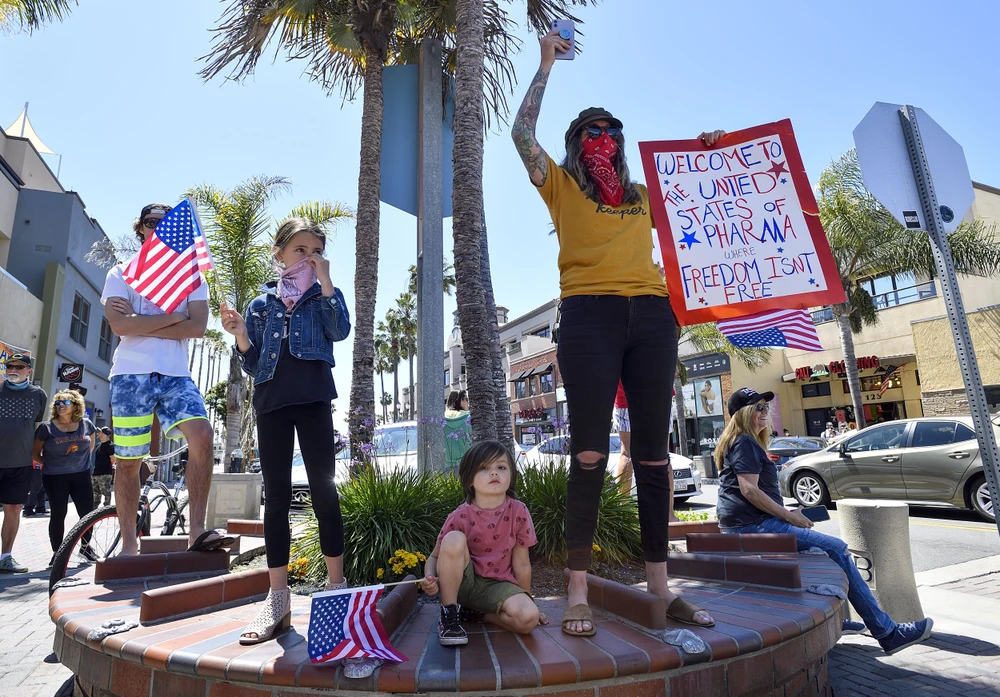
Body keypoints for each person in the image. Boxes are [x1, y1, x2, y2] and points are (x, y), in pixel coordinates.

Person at [511, 30, 719, 636]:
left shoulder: (641, 196)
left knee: (653, 455)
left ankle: (660, 588)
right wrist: (545, 65)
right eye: (591, 132)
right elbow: (521, 135)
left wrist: (709, 151)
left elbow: (699, 202)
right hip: (588, 316)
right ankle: (577, 591)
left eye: (611, 132)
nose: (603, 139)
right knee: (588, 453)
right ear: (577, 144)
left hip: (653, 316)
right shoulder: (561, 186)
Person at [715, 387, 934, 655]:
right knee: (837, 548)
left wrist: (788, 511)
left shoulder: (743, 442)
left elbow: (750, 493)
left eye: (766, 407)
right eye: (757, 407)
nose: (764, 412)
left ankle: (834, 619)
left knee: (817, 553)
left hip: (751, 524)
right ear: (742, 414)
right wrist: (788, 516)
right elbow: (749, 490)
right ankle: (888, 633)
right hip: (753, 527)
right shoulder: (744, 442)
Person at [221, 217, 352, 646]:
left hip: (314, 401)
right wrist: (241, 334)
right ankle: (278, 599)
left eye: (317, 251)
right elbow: (254, 363)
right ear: (279, 253)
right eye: (301, 249)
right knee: (276, 500)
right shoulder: (262, 303)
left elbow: (340, 330)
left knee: (324, 494)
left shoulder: (325, 295)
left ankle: (336, 589)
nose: (309, 257)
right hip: (272, 404)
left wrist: (326, 282)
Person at [102, 202, 229, 556]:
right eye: (150, 222)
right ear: (140, 228)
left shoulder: (191, 275)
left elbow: (198, 327)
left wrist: (142, 323)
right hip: (130, 375)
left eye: (165, 222)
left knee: (203, 436)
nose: (158, 227)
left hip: (176, 376)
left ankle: (197, 532)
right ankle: (129, 545)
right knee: (129, 462)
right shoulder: (121, 273)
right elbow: (120, 325)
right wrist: (175, 317)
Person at [421, 440, 548, 646]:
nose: (494, 472)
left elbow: (522, 564)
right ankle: (449, 615)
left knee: (528, 618)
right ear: (469, 479)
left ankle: (477, 615)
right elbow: (435, 557)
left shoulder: (518, 511)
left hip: (499, 587)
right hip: (462, 585)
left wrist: (528, 600)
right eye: (484, 468)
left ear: (511, 475)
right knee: (454, 538)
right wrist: (429, 577)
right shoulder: (459, 516)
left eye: (501, 467)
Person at [32, 389, 97, 564]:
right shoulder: (46, 428)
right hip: (55, 477)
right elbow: (35, 453)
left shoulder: (87, 425)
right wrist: (51, 464)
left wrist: (79, 462)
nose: (61, 405)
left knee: (87, 513)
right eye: (58, 402)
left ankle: (86, 548)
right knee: (58, 513)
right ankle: (58, 553)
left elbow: (90, 447)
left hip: (81, 475)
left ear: (75, 406)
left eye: (66, 402)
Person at [0, 353, 48, 573]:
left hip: (20, 463)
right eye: (10, 366)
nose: (13, 369)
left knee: (14, 508)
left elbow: (35, 425)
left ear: (29, 371)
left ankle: (6, 557)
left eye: (19, 367)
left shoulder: (38, 395)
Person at [444, 390, 472, 474]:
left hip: (446, 465)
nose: (468, 403)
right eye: (466, 399)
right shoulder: (469, 419)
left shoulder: (441, 421)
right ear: (461, 400)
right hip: (468, 463)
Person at [92, 427, 116, 507]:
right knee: (95, 493)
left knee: (106, 492)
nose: (98, 433)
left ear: (104, 434)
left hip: (105, 473)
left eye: (100, 432)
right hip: (96, 473)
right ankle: (94, 509)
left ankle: (106, 508)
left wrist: (107, 467)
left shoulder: (110, 446)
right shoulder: (98, 445)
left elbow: (113, 460)